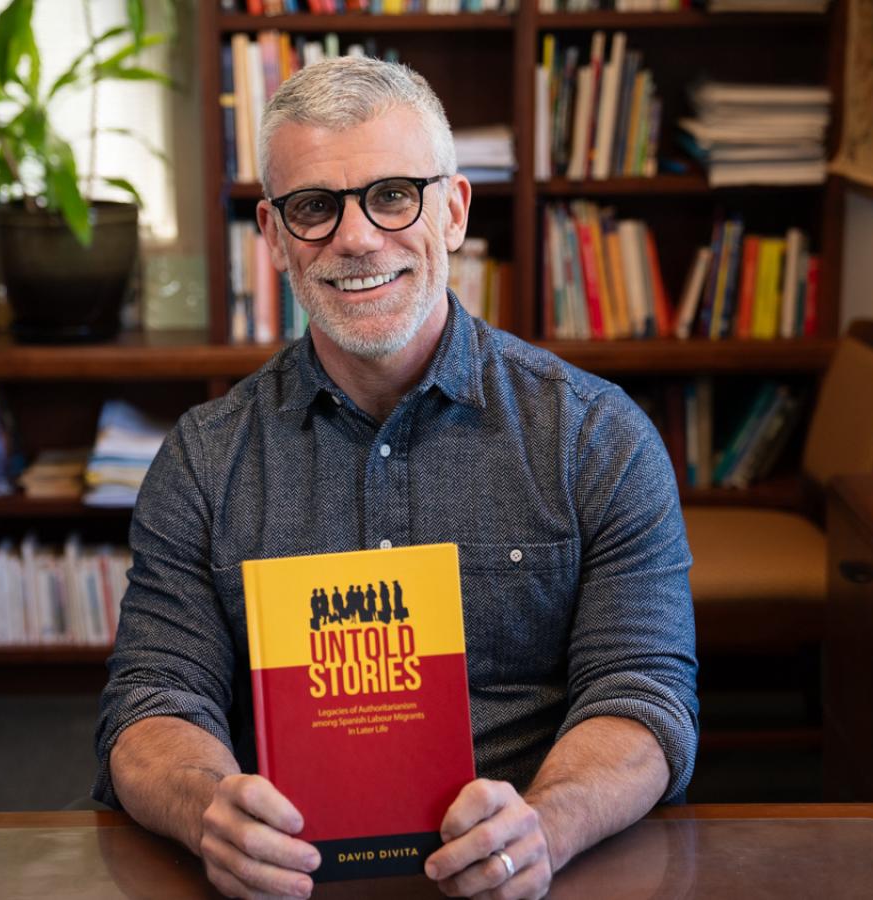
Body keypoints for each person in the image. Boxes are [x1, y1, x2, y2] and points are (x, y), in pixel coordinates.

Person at [93, 56, 697, 900]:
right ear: (272, 235)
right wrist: (209, 813)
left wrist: (544, 826)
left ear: (451, 211)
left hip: (533, 878)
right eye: (314, 207)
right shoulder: (203, 460)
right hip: (281, 882)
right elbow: (153, 699)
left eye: (392, 195)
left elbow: (645, 694)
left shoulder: (597, 438)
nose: (357, 238)